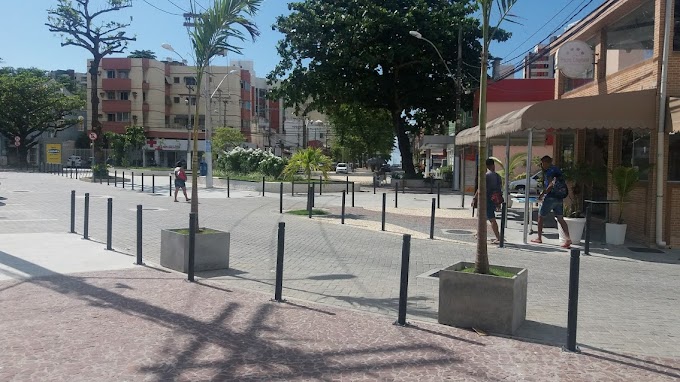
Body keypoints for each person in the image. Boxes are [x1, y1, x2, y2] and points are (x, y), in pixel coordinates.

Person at [531, 155, 571, 248]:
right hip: (559, 197)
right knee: (560, 219)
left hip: (551, 197)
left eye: (542, 163)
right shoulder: (557, 170)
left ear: (546, 162)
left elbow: (550, 185)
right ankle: (568, 238)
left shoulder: (550, 171)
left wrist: (543, 194)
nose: (542, 165)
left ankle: (539, 237)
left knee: (540, 216)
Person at [472, 158, 502, 244]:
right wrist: (498, 202)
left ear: (486, 166)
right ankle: (479, 233)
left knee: (491, 218)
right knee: (483, 217)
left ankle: (498, 237)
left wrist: (475, 198)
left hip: (487, 199)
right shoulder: (497, 176)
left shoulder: (486, 176)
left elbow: (480, 188)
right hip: (494, 199)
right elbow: (500, 189)